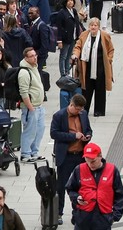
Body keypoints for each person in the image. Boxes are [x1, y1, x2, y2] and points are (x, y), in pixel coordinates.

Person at [50, 94, 92, 224]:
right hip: (66, 156)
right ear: (71, 105)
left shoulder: (83, 114)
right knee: (61, 186)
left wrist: (88, 135)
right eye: (77, 109)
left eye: (81, 109)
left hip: (80, 156)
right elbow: (54, 133)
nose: (79, 112)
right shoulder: (59, 115)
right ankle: (58, 213)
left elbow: (89, 129)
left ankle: (79, 211)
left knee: (82, 185)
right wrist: (73, 136)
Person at [65, 143, 123, 230]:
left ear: (100, 156)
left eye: (93, 161)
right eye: (87, 160)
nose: (90, 164)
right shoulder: (79, 169)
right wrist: (77, 198)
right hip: (83, 218)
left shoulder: (112, 170)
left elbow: (120, 195)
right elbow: (70, 189)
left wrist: (115, 216)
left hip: (103, 218)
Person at [72, 18, 114, 117]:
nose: (93, 27)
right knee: (86, 89)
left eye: (95, 25)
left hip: (101, 66)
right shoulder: (84, 35)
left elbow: (111, 49)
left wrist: (109, 60)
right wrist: (75, 55)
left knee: (100, 89)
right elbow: (78, 47)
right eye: (91, 25)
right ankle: (84, 109)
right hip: (87, 66)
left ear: (98, 27)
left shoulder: (105, 36)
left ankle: (99, 110)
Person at [17, 47, 45, 162]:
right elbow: (23, 92)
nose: (35, 58)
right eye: (32, 56)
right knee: (29, 130)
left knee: (39, 130)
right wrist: (30, 108)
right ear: (26, 58)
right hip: (31, 107)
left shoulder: (34, 67)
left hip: (39, 106)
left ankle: (34, 152)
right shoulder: (24, 72)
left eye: (35, 55)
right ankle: (25, 153)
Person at [55, 0, 82, 77]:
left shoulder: (74, 11)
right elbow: (59, 27)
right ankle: (63, 74)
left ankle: (67, 71)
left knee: (69, 56)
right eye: (68, 1)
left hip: (73, 37)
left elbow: (77, 23)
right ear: (65, 2)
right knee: (63, 56)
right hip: (65, 38)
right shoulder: (61, 13)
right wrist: (59, 40)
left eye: (71, 0)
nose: (70, 2)